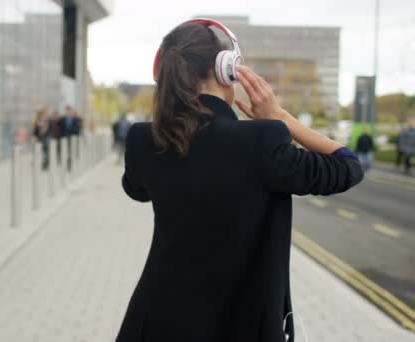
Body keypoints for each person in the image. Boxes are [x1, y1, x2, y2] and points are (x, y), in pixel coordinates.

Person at [117, 19, 363, 342]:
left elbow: (135, 189)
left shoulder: (143, 140)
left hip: (155, 324)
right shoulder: (263, 140)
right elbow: (347, 166)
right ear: (226, 70)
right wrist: (282, 118)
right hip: (239, 328)